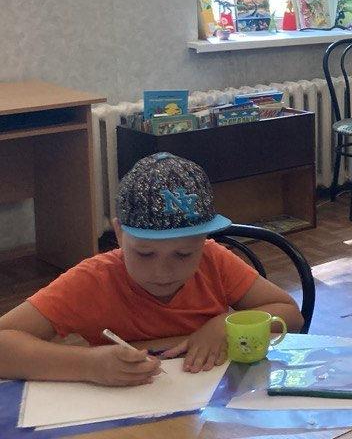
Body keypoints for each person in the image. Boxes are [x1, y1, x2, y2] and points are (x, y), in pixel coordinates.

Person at [0, 153, 303, 385]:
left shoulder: (214, 260)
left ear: (204, 240)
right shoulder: (93, 280)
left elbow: (290, 315)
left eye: (183, 254)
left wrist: (224, 325)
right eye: (145, 254)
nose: (163, 272)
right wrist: (88, 364)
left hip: (204, 406)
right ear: (119, 234)